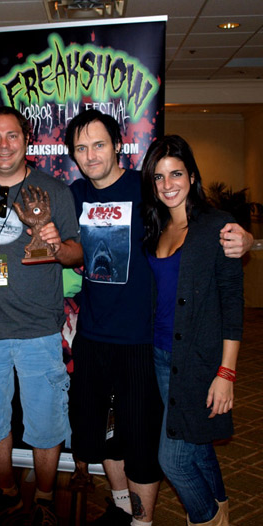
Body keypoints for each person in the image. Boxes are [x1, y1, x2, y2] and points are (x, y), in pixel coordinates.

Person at [63, 109, 252, 526]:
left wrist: (246, 237)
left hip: (144, 342)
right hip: (93, 336)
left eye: (99, 144)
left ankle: (143, 519)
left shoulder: (144, 190)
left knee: (151, 443)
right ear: (73, 155)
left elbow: (201, 220)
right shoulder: (73, 194)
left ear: (117, 146)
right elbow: (27, 201)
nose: (91, 155)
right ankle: (120, 507)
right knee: (104, 436)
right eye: (81, 148)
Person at [0, 106, 81, 526]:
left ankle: (43, 498)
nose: (3, 145)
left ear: (27, 139)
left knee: (45, 421)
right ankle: (6, 493)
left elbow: (78, 252)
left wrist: (57, 245)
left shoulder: (55, 191)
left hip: (39, 331)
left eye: (12, 136)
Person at [141, 135, 243, 526]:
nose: (168, 184)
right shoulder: (156, 226)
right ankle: (222, 512)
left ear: (193, 175)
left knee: (174, 459)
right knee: (199, 447)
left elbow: (233, 304)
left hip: (199, 362)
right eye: (158, 177)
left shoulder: (217, 227)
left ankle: (204, 519)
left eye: (176, 173)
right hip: (161, 357)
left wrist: (226, 373)